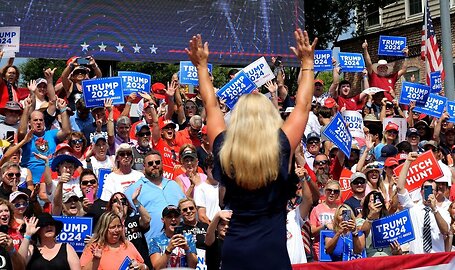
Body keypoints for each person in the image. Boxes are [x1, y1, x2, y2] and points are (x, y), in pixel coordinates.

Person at [186, 29, 317, 269]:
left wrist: (202, 67)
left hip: (236, 253)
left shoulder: (224, 147)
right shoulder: (282, 145)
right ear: (270, 118)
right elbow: (303, 105)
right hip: (272, 254)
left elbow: (211, 105)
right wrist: (307, 63)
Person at [124, 151, 185, 241]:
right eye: (150, 163)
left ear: (162, 164)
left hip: (180, 241)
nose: (154, 165)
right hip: (153, 244)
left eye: (157, 162)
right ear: (144, 166)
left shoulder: (173, 185)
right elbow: (129, 221)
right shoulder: (133, 189)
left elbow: (185, 207)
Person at [397, 152, 451, 254]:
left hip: (436, 260)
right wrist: (408, 162)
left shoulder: (443, 212)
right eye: (426, 189)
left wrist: (434, 209)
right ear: (421, 191)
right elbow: (400, 188)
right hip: (417, 259)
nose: (429, 192)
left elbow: (446, 231)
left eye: (432, 190)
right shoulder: (412, 208)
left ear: (436, 193)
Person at [80, 212, 147, 270]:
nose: (117, 230)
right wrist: (95, 259)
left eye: (119, 226)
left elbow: (145, 266)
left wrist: (141, 267)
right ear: (104, 229)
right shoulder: (93, 247)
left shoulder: (128, 245)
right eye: (113, 227)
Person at [106, 191, 152, 270]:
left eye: (123, 201)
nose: (120, 203)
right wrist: (119, 218)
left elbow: (147, 220)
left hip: (142, 264)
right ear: (111, 207)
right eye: (116, 201)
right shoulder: (108, 225)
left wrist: (135, 201)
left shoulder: (135, 219)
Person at [358, 191, 403, 257]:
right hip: (371, 261)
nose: (375, 203)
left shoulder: (389, 221)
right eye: (372, 201)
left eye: (377, 200)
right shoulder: (360, 221)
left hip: (388, 259)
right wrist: (371, 216)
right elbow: (363, 230)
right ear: (367, 204)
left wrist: (396, 251)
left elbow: (399, 252)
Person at [310, 181, 341, 261]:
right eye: (329, 190)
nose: (332, 193)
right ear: (325, 192)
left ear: (338, 194)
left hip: (337, 250)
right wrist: (324, 226)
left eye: (336, 191)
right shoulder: (316, 209)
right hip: (320, 252)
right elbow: (312, 232)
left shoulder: (341, 210)